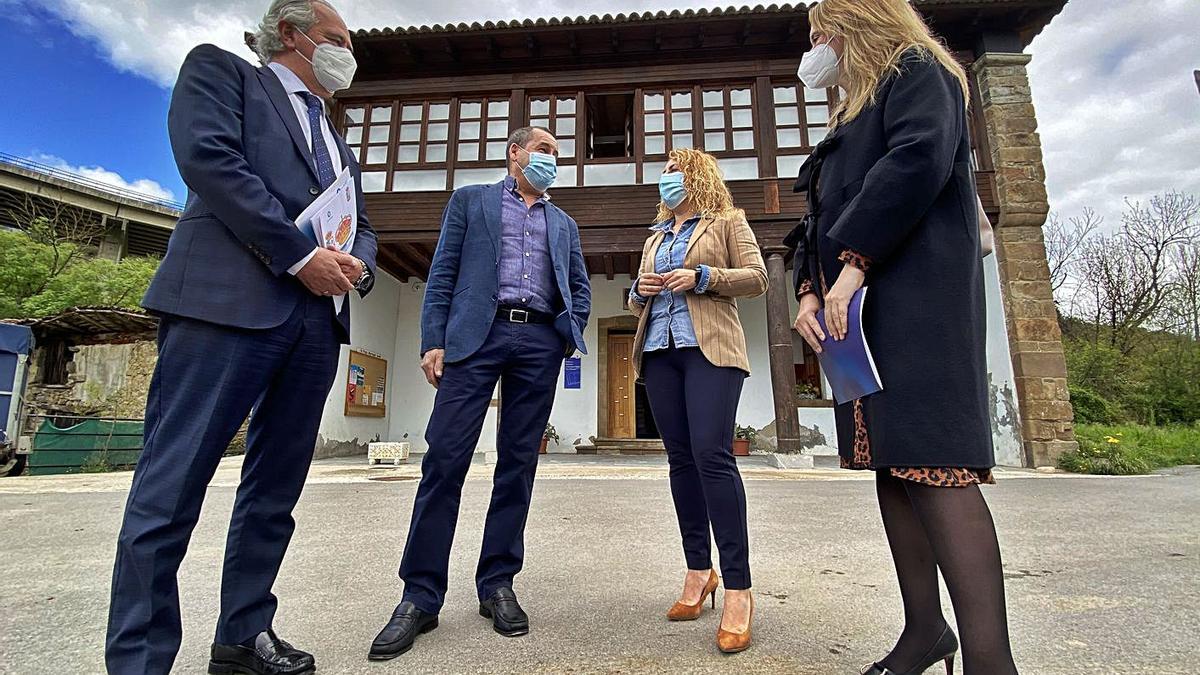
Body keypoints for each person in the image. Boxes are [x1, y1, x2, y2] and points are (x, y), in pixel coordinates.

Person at [104, 1, 376, 673]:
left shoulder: (337, 140)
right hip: (224, 306)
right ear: (291, 34)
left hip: (313, 324)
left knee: (273, 491)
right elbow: (212, 162)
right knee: (170, 490)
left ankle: (243, 633)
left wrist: (358, 262)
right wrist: (298, 254)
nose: (348, 54)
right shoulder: (223, 74)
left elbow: (359, 222)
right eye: (337, 40)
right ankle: (140, 659)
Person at [788, 1, 1016, 673]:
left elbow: (916, 162)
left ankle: (991, 660)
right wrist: (809, 285)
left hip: (915, 304)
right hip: (855, 315)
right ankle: (924, 630)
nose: (814, 48)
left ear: (854, 22)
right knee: (896, 465)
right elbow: (816, 217)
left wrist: (853, 264)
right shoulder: (850, 115)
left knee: (936, 463)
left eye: (818, 33)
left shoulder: (919, 71)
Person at [369, 126, 590, 660]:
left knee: (518, 464)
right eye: (544, 151)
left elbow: (579, 286)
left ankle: (497, 583)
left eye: (558, 156)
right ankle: (419, 595)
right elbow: (442, 272)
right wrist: (432, 340)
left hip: (538, 340)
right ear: (515, 153)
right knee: (444, 459)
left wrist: (565, 334)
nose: (551, 161)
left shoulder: (563, 222)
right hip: (476, 336)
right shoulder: (470, 201)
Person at [628, 149, 767, 654]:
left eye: (674, 171)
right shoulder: (656, 235)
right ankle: (696, 571)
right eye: (663, 172)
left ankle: (738, 588)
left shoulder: (728, 220)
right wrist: (638, 291)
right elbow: (634, 301)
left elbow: (757, 277)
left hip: (710, 349)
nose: (666, 179)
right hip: (659, 351)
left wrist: (703, 277)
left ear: (698, 176)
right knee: (681, 462)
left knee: (712, 456)